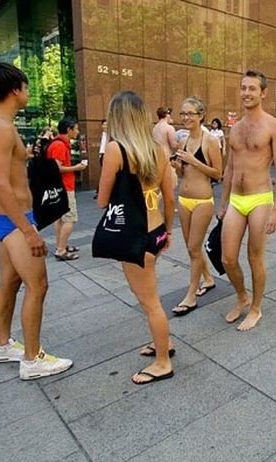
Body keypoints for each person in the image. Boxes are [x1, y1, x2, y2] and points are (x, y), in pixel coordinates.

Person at [0, 62, 72, 380]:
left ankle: (2, 345)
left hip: (3, 217)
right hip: (15, 219)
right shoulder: (1, 126)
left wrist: (24, 155)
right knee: (37, 285)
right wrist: (29, 231)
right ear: (15, 89)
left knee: (11, 282)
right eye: (27, 87)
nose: (28, 93)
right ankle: (33, 358)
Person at [98, 91, 176, 384]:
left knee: (149, 301)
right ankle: (162, 343)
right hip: (155, 231)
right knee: (148, 296)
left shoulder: (117, 150)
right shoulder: (158, 149)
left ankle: (162, 362)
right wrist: (168, 231)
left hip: (132, 235)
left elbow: (102, 200)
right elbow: (170, 197)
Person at [219, 70, 276, 331]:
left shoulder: (273, 126)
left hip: (260, 198)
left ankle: (256, 308)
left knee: (254, 257)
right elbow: (229, 169)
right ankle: (242, 296)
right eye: (243, 88)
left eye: (252, 88)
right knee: (227, 258)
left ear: (263, 93)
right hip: (236, 199)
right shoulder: (234, 129)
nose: (246, 93)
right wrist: (223, 202)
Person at [169, 97, 222, 315]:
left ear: (201, 116)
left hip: (202, 200)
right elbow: (183, 173)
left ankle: (191, 295)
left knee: (192, 247)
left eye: (190, 113)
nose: (185, 118)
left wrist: (193, 161)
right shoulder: (182, 141)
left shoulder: (210, 141)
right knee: (193, 247)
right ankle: (208, 279)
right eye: (183, 114)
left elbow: (218, 173)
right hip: (184, 198)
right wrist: (178, 166)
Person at [47, 118, 87, 260]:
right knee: (70, 219)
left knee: (59, 219)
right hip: (64, 186)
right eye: (75, 129)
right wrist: (76, 168)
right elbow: (57, 168)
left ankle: (61, 245)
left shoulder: (57, 144)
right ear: (69, 129)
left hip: (57, 187)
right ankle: (61, 250)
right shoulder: (59, 146)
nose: (77, 131)